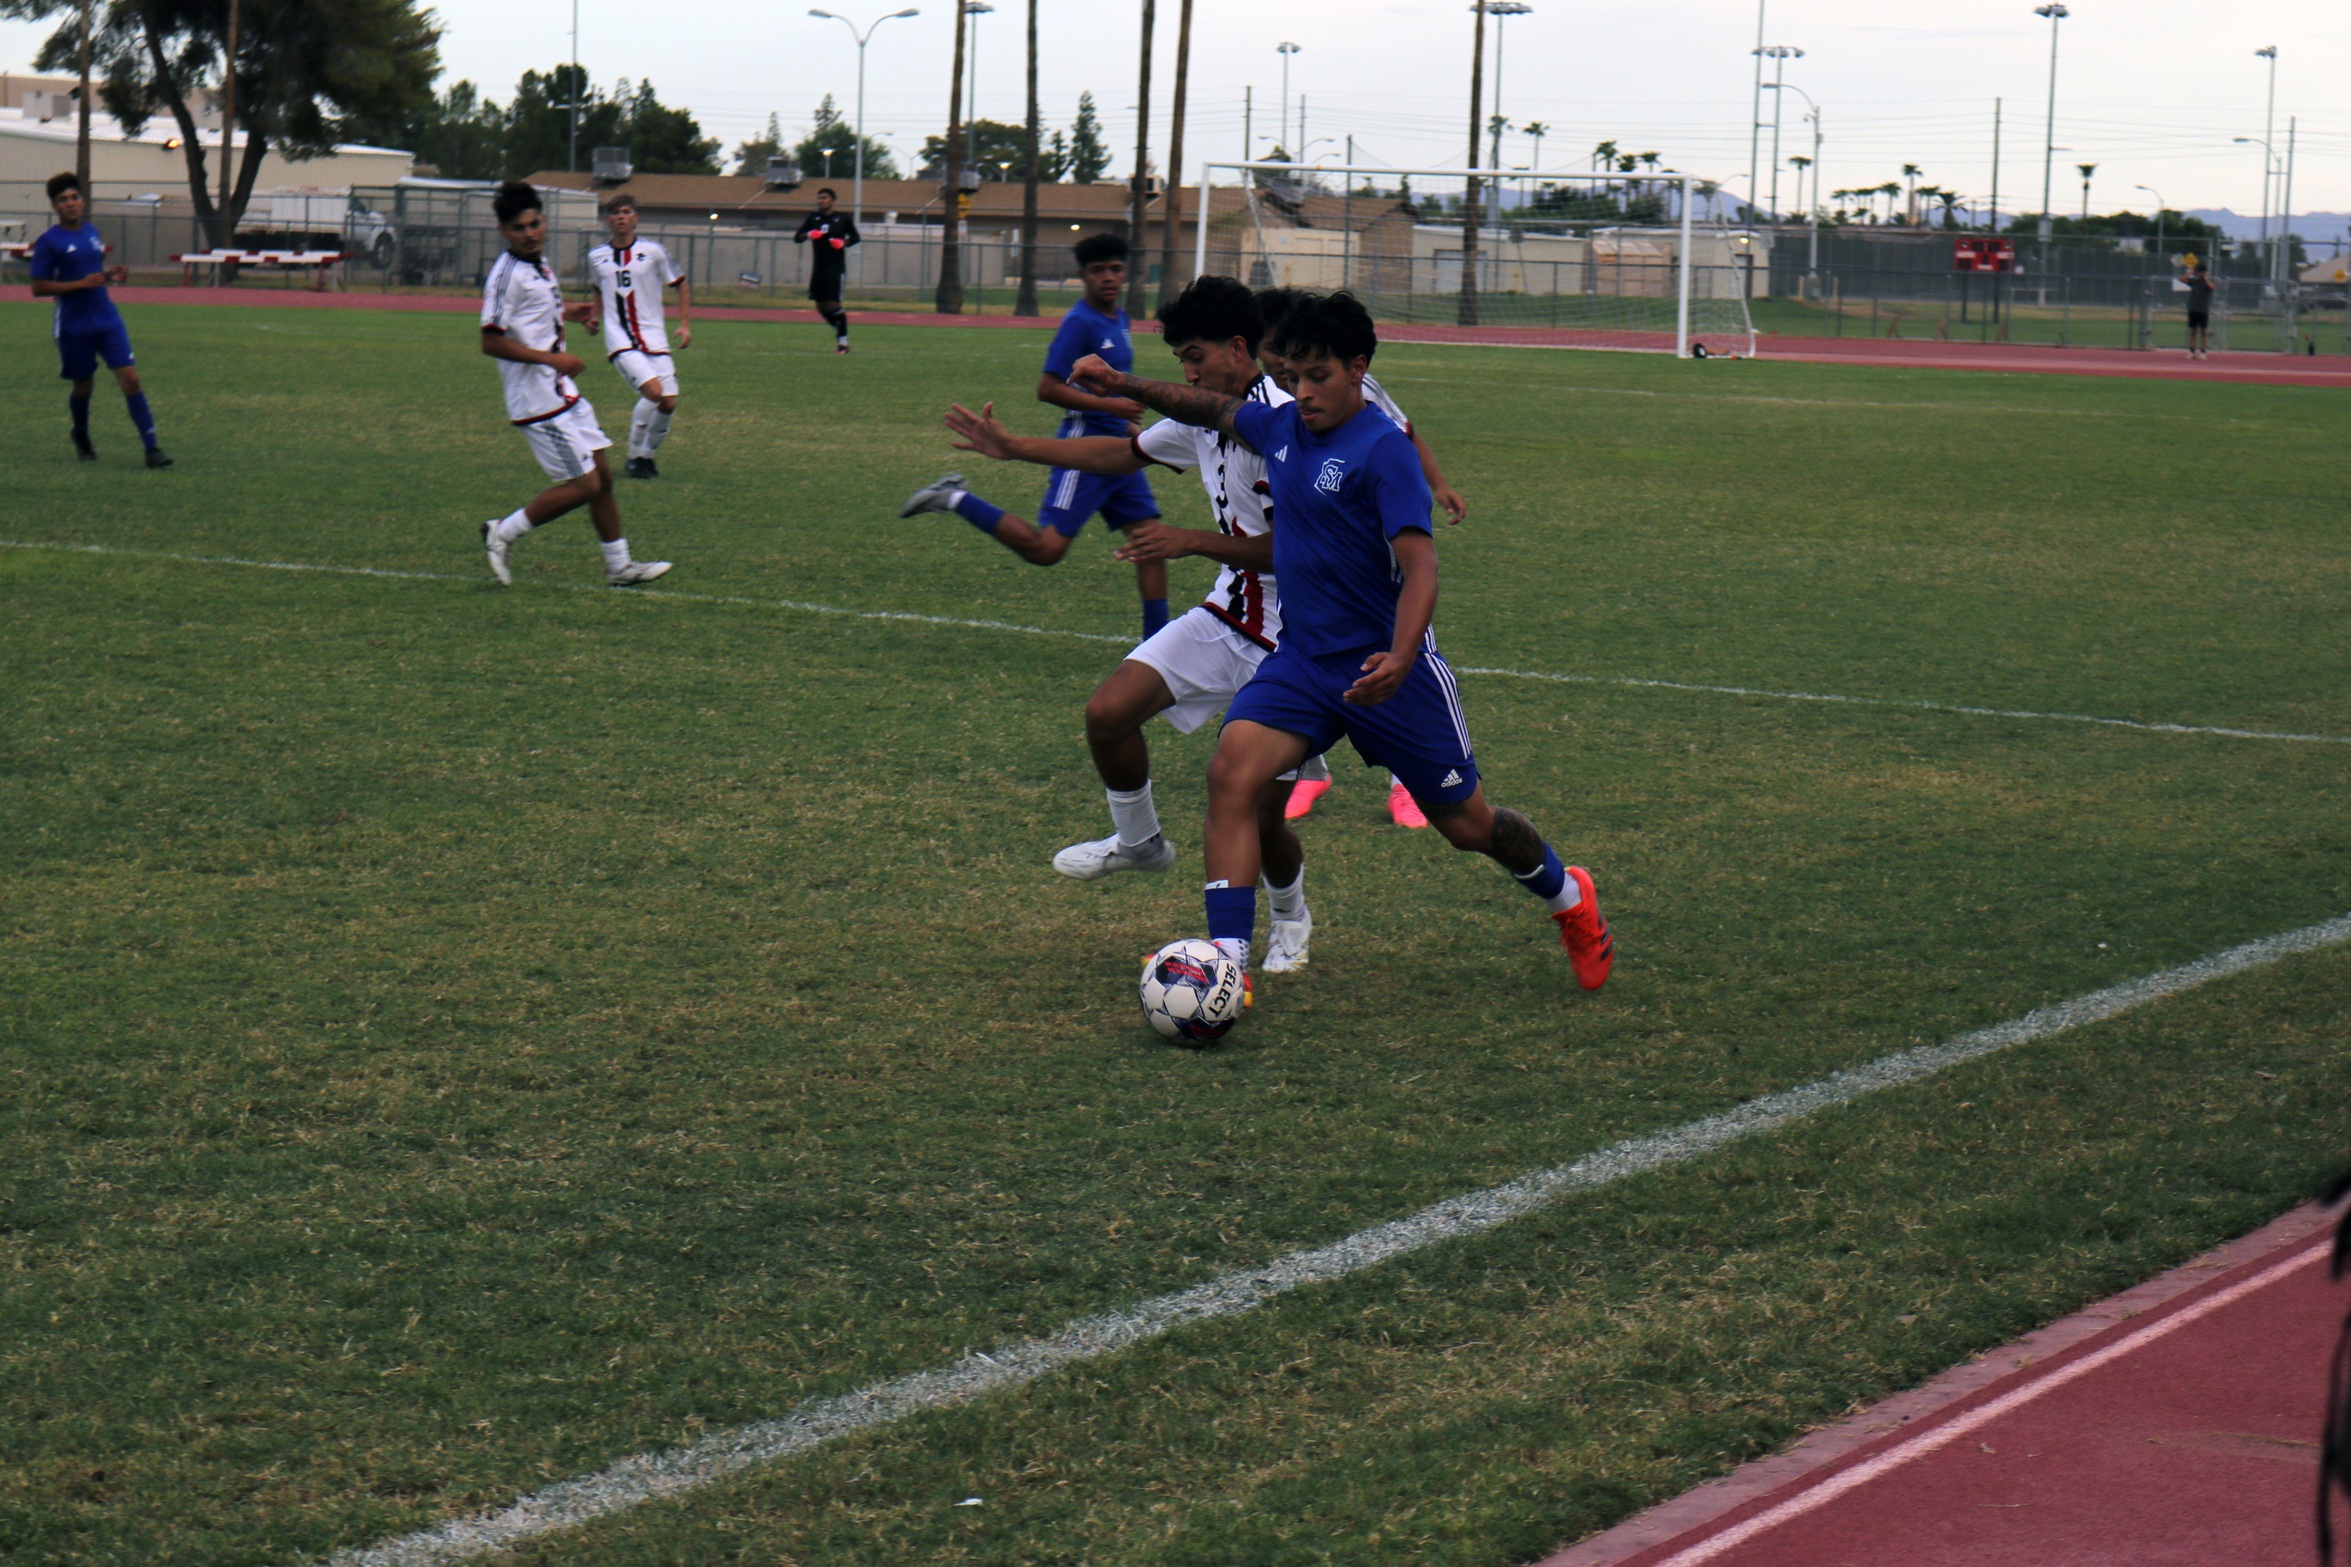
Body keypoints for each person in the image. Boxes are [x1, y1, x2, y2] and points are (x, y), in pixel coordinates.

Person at [1066, 291, 1613, 995]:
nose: (1303, 392)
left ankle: (1568, 897)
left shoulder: (1382, 451)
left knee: (1469, 826)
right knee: (1231, 773)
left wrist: (1402, 655)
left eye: (1318, 375)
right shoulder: (1284, 427)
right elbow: (1207, 408)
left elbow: (1421, 566)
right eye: (1293, 376)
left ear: (1358, 369)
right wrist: (1123, 384)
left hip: (1389, 672)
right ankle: (1225, 964)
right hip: (1299, 662)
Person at [940, 275, 1315, 971]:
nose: (1187, 372)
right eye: (1180, 360)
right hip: (1232, 611)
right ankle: (1139, 842)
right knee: (1108, 712)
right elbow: (1121, 453)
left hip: (1301, 642)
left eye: (1195, 356)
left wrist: (1192, 539)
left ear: (1240, 349)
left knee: (1260, 809)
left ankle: (1290, 917)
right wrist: (1014, 447)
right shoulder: (1204, 416)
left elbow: (1308, 551)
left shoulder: (1292, 421)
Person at [1255, 287, 1467, 828]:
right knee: (1243, 766)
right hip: (1310, 635)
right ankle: (1309, 771)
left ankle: (1410, 784)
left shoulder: (1362, 412)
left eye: (1304, 370)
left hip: (1379, 619)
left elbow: (1402, 433)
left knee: (1465, 817)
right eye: (1281, 369)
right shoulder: (1277, 407)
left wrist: (1437, 484)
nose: (1292, 384)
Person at [901, 233, 1171, 640]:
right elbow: (1048, 388)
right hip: (1084, 449)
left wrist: (1134, 431)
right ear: (1082, 276)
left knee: (1150, 543)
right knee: (1046, 550)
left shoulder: (1119, 318)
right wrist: (1111, 407)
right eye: (1098, 271)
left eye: (1115, 269)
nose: (1108, 278)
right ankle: (953, 496)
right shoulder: (1079, 322)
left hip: (1118, 450)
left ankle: (1157, 643)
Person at [476, 182, 671, 589]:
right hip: (536, 397)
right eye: (518, 228)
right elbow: (490, 339)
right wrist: (554, 359)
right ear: (503, 231)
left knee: (602, 475)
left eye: (534, 224)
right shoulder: (505, 275)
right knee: (585, 484)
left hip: (560, 390)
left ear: (543, 221)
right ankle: (502, 532)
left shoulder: (539, 263)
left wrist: (571, 313)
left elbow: (534, 314)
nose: (529, 233)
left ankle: (619, 567)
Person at [27, 171, 170, 467]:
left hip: (105, 318)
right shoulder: (49, 241)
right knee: (83, 387)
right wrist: (78, 284)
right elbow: (38, 287)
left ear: (83, 200)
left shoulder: (91, 233)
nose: (70, 204)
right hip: (73, 325)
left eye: (74, 197)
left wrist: (108, 276)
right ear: (55, 206)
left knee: (130, 380)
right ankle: (80, 433)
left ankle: (152, 448)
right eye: (63, 200)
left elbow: (91, 275)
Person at [584, 193, 690, 478]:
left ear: (635, 218)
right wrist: (595, 316)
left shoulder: (654, 252)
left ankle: (646, 456)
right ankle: (633, 455)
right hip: (620, 339)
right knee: (654, 392)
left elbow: (680, 284)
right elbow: (598, 288)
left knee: (669, 402)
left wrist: (684, 323)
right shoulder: (596, 256)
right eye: (615, 213)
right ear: (608, 220)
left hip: (654, 337)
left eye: (626, 211)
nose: (621, 217)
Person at [793, 188, 859, 353]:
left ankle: (843, 344)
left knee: (834, 304)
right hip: (819, 268)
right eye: (819, 198)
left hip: (836, 267)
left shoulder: (842, 218)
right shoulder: (813, 218)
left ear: (832, 200)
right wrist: (809, 234)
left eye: (824, 198)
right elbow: (797, 237)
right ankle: (839, 331)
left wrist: (844, 243)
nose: (821, 201)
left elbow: (856, 238)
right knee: (821, 306)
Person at [2181, 261, 2216, 361]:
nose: (2201, 274)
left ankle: (2203, 352)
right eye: (2200, 272)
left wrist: (2205, 278)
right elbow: (2182, 279)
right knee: (2193, 331)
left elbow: (2212, 287)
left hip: (2203, 310)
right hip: (2193, 309)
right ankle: (2191, 351)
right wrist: (2190, 273)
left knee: (2203, 332)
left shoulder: (2207, 282)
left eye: (2202, 272)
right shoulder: (2194, 281)